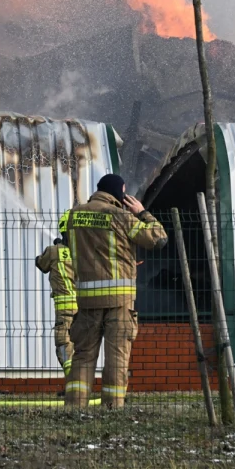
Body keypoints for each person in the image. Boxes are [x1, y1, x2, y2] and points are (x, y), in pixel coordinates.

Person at [64, 174, 167, 408]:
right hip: (119, 301)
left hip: (87, 300)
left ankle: (74, 408)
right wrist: (142, 212)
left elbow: (90, 249)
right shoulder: (120, 216)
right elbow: (158, 238)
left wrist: (125, 258)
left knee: (83, 356)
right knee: (117, 358)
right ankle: (112, 409)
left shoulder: (74, 215)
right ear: (120, 191)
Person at [35, 210, 77, 377]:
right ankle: (81, 383)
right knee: (82, 346)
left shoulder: (53, 251)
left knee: (63, 343)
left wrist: (56, 246)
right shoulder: (86, 251)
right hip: (86, 308)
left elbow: (41, 264)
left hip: (65, 309)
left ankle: (72, 381)